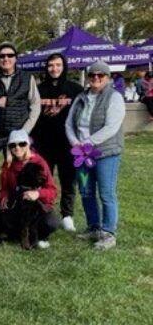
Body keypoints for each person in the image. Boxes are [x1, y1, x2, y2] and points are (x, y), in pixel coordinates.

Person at [65, 60, 126, 250]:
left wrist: (88, 143)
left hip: (105, 153)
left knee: (106, 193)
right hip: (81, 155)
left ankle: (108, 232)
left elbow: (111, 127)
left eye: (101, 75)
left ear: (107, 78)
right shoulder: (81, 97)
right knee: (85, 190)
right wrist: (75, 142)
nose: (96, 78)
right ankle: (94, 226)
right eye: (92, 75)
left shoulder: (114, 97)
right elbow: (69, 123)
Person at [0, 130, 59, 249]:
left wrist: (37, 193)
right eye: (13, 145)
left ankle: (34, 235)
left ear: (28, 144)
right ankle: (6, 228)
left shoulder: (39, 162)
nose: (17, 148)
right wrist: (4, 198)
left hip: (37, 203)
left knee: (51, 223)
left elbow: (52, 190)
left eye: (22, 144)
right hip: (15, 200)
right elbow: (4, 188)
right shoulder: (8, 164)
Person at [31, 53, 82, 232]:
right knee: (43, 180)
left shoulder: (75, 89)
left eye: (58, 65)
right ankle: (44, 212)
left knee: (68, 181)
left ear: (64, 67)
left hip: (68, 144)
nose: (54, 69)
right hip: (43, 144)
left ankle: (67, 215)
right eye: (51, 65)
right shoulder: (38, 89)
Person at [0, 42, 41, 203]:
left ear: (16, 58)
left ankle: (19, 205)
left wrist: (24, 132)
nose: (6, 59)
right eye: (2, 56)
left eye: (10, 55)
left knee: (21, 172)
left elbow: (35, 105)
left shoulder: (27, 78)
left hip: (17, 134)